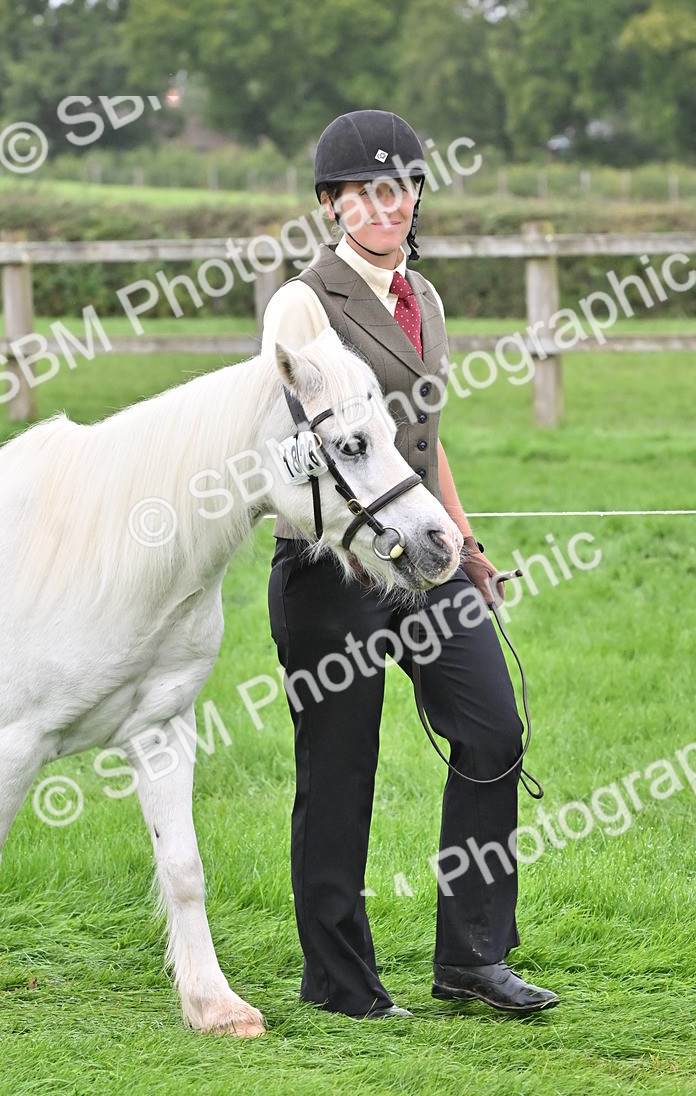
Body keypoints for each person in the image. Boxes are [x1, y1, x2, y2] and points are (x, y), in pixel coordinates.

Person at [263, 109, 559, 1020]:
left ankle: (471, 955)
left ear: (414, 196)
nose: (383, 205)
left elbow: (426, 443)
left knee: (492, 730)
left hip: (424, 562)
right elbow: (282, 451)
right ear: (332, 204)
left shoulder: (424, 300)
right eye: (362, 193)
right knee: (341, 770)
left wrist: (462, 540)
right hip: (333, 571)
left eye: (397, 188)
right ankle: (340, 982)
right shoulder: (304, 303)